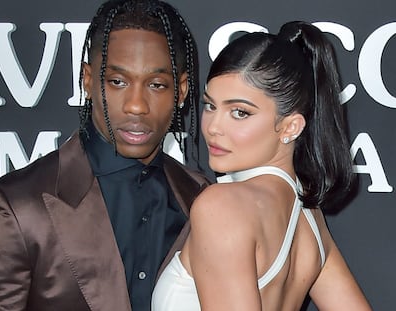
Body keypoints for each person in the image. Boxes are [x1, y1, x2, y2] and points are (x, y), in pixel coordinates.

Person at [0, 1, 210, 310]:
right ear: (89, 80)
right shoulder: (18, 207)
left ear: (181, 91)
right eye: (117, 82)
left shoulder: (201, 200)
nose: (136, 106)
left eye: (156, 85)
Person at [152, 21, 372, 310]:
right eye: (210, 105)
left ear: (291, 126)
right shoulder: (310, 220)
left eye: (240, 112)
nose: (214, 127)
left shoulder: (221, 207)